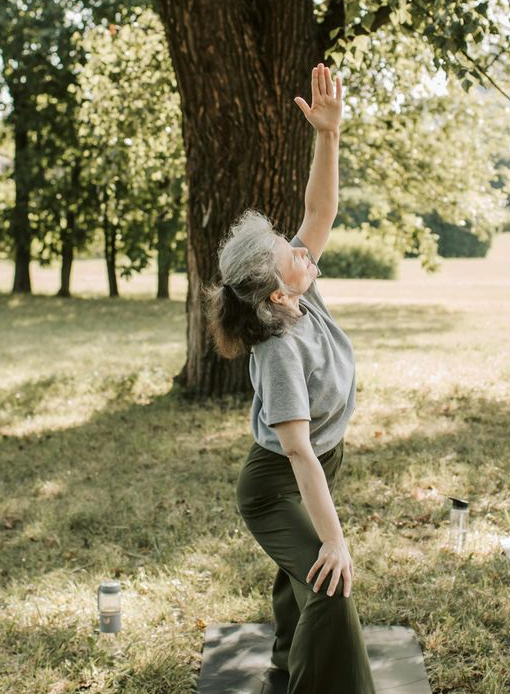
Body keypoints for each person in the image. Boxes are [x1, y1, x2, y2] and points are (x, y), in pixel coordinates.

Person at [204, 64, 373, 693]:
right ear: (275, 293)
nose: (303, 251)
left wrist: (328, 135)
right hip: (276, 483)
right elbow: (296, 449)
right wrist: (337, 540)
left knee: (299, 573)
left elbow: (318, 208)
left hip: (319, 464)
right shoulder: (277, 346)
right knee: (331, 582)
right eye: (290, 253)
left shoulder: (301, 295)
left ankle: (284, 657)